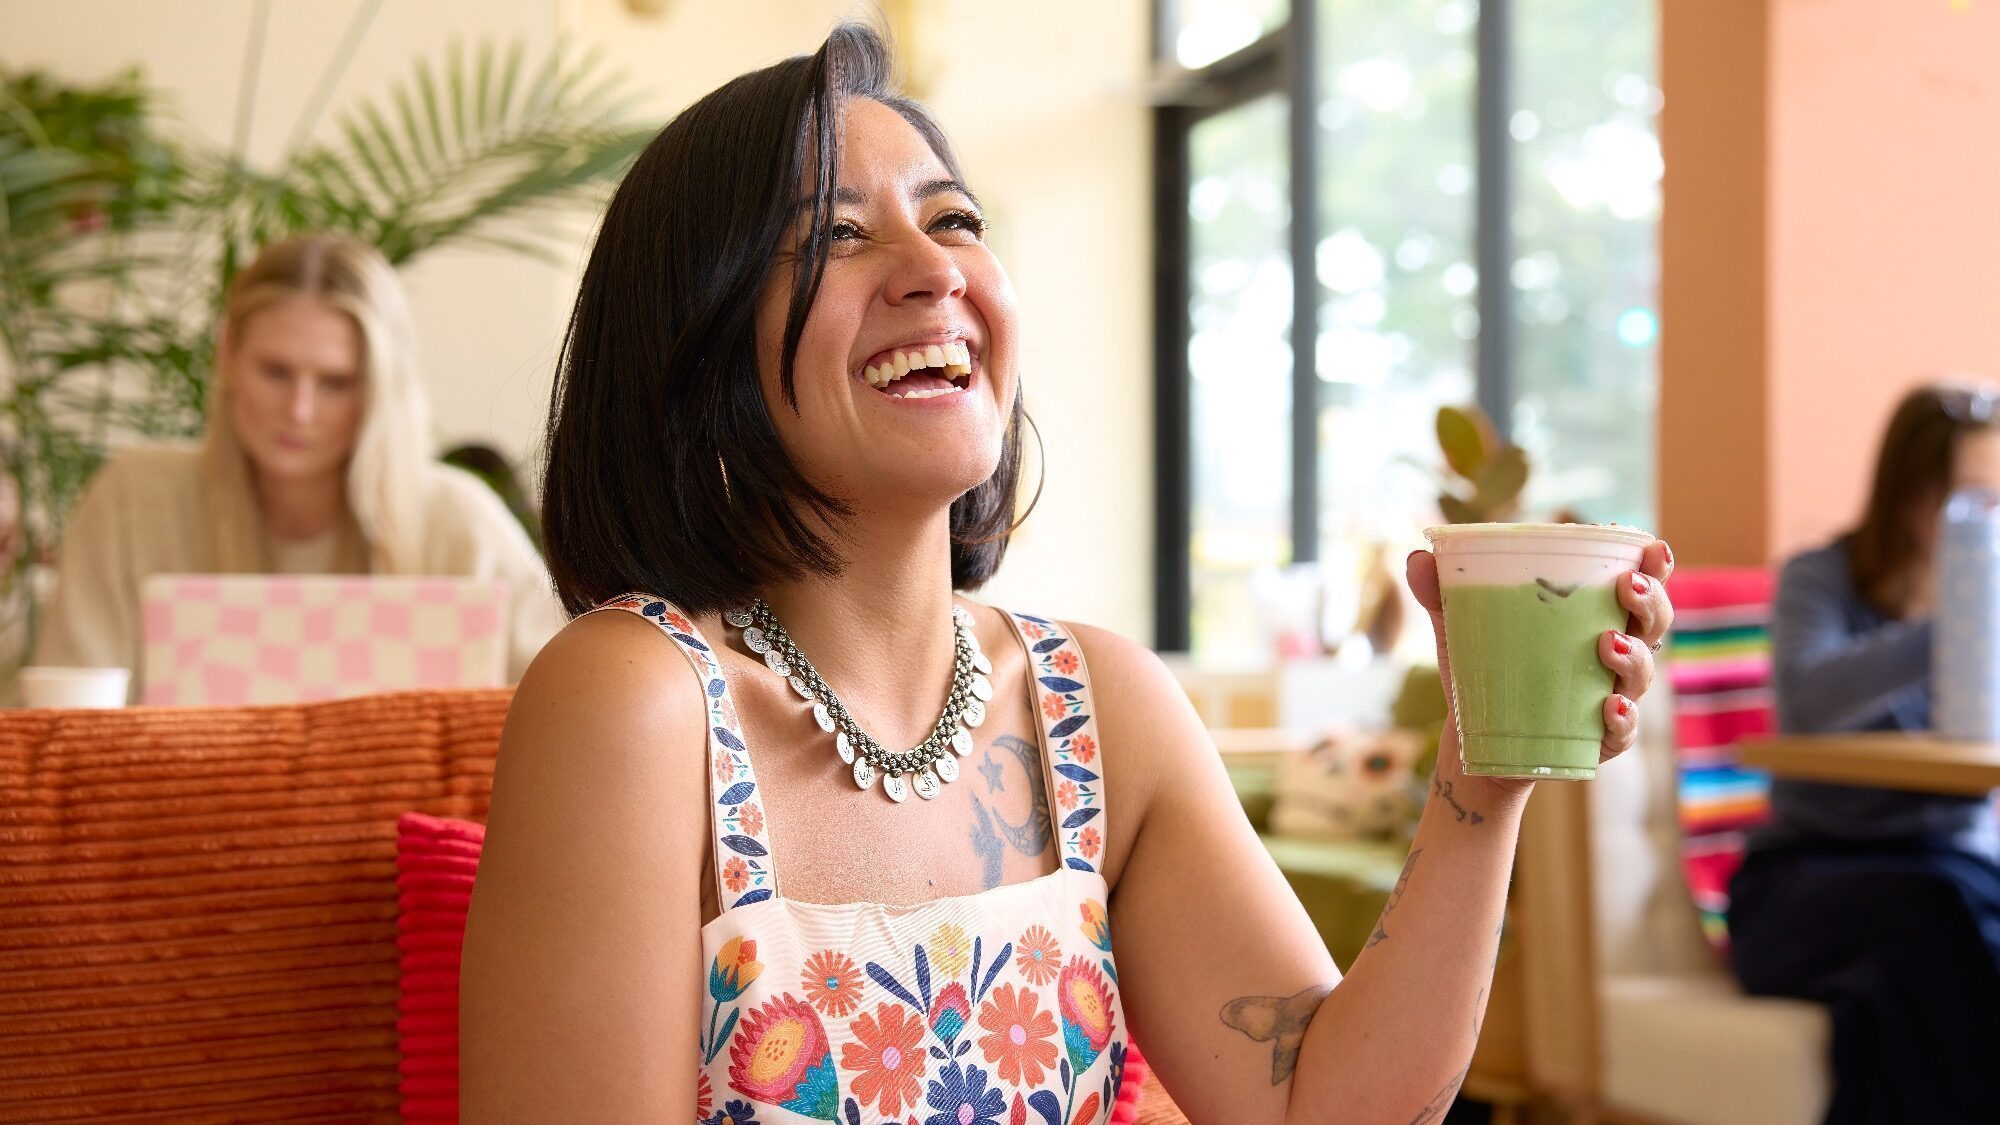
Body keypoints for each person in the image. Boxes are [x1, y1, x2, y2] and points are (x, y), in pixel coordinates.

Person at [457, 25, 1673, 1122]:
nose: (932, 269)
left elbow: (1324, 1105)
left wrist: (1482, 780)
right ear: (693, 346)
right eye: (833, 233)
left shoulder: (1096, 705)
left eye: (954, 220)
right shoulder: (635, 704)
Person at [32, 235, 565, 699]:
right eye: (276, 372)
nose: (300, 411)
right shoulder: (133, 502)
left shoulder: (458, 522)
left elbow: (565, 705)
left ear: (380, 388)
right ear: (229, 354)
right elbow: (66, 707)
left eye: (335, 382)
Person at [1728, 383, 2000, 1123]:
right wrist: (1956, 621)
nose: (1987, 517)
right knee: (1942, 927)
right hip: (1803, 878)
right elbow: (1809, 701)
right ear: (1912, 490)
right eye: (1972, 495)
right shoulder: (1822, 578)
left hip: (1955, 867)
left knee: (1949, 934)